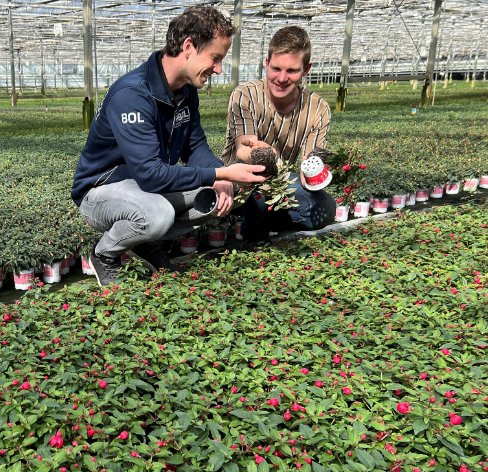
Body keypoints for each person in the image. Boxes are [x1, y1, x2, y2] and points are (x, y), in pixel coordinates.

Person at [71, 6, 267, 286]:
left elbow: (195, 147)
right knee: (157, 214)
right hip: (100, 193)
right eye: (215, 58)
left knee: (211, 199)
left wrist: (221, 177)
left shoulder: (186, 92)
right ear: (189, 47)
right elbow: (151, 175)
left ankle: (146, 243)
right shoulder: (132, 95)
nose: (219, 68)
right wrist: (222, 174)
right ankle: (104, 253)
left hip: (141, 189)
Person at [221, 25, 336, 242]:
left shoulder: (317, 108)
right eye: (276, 68)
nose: (281, 78)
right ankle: (245, 218)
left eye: (291, 71)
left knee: (326, 209)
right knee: (257, 199)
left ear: (306, 69)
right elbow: (243, 150)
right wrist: (267, 155)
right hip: (240, 182)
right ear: (266, 63)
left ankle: (258, 219)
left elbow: (310, 163)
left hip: (281, 184)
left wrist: (318, 170)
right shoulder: (245, 95)